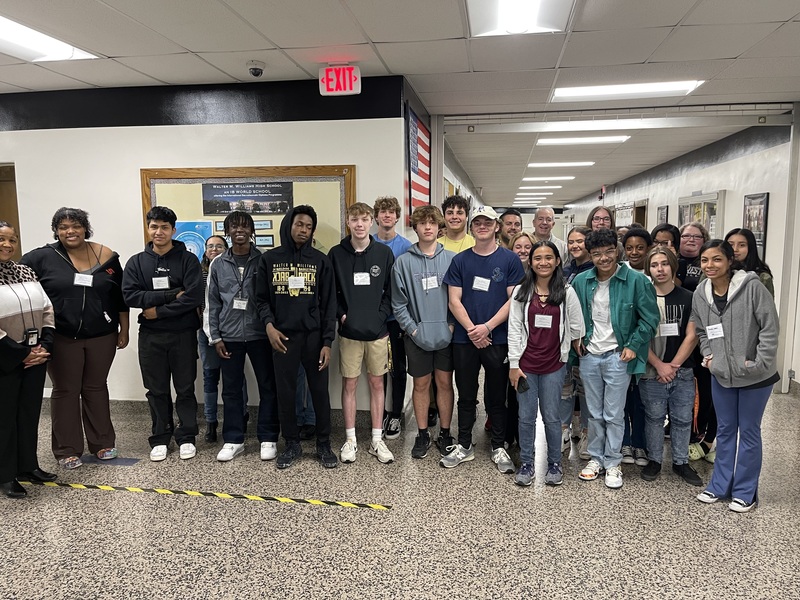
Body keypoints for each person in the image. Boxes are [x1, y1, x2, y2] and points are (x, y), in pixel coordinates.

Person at [21, 207, 129, 470]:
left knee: (96, 387)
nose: (70, 231)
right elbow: (24, 296)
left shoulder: (106, 255)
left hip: (102, 335)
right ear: (56, 231)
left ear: (85, 228)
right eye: (64, 227)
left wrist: (123, 330)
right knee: (66, 390)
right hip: (60, 336)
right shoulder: (40, 258)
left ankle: (102, 443)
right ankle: (67, 450)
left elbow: (120, 297)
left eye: (76, 225)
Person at [692, 239, 779, 512]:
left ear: (730, 261)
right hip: (721, 375)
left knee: (749, 432)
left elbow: (769, 327)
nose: (710, 265)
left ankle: (745, 492)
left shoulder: (752, 287)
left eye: (717, 259)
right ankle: (719, 486)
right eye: (705, 260)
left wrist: (761, 362)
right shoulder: (700, 293)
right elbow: (702, 329)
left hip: (755, 376)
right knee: (726, 431)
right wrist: (710, 356)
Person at [571, 228, 659, 489]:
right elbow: (573, 317)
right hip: (589, 356)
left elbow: (650, 318)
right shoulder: (581, 281)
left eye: (609, 252)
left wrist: (633, 345)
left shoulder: (636, 281)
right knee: (594, 413)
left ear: (617, 251)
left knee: (613, 413)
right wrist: (577, 339)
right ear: (590, 255)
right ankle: (596, 459)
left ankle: (613, 462)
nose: (604, 258)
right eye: (597, 254)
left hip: (618, 357)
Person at [440, 205, 525, 473]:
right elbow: (454, 300)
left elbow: (515, 300)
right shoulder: (460, 260)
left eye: (487, 222)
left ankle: (498, 446)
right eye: (477, 222)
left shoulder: (509, 260)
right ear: (472, 227)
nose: (482, 226)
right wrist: (472, 330)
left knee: (497, 396)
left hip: (497, 338)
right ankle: (464, 445)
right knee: (465, 394)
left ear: (496, 226)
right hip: (466, 341)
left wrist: (486, 327)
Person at [256, 205, 338, 469]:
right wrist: (269, 326)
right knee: (286, 393)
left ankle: (323, 444)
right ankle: (291, 443)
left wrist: (327, 342)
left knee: (319, 393)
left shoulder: (320, 260)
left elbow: (329, 305)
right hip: (282, 338)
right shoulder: (269, 260)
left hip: (314, 338)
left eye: (308, 226)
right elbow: (260, 300)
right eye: (299, 224)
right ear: (289, 224)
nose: (303, 230)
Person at [122, 206, 202, 462]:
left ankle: (187, 435)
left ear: (173, 230)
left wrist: (157, 310)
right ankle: (160, 437)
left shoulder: (188, 260)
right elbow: (130, 295)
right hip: (151, 337)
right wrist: (169, 295)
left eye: (164, 227)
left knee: (185, 388)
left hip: (183, 334)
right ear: (148, 228)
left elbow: (193, 297)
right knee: (156, 389)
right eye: (154, 226)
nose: (159, 232)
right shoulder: (136, 262)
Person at [508, 241, 584, 487]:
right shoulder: (522, 291)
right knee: (526, 417)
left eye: (549, 257)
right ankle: (527, 464)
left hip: (554, 366)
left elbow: (577, 326)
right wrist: (513, 363)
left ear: (557, 261)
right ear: (530, 262)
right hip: (526, 366)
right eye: (537, 258)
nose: (543, 262)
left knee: (552, 417)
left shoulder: (566, 291)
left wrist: (576, 347)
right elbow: (514, 329)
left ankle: (554, 463)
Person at [206, 211, 279, 463]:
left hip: (260, 334)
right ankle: (233, 440)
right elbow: (212, 303)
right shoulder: (218, 264)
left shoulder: (264, 260)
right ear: (227, 231)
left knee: (268, 387)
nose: (240, 230)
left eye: (245, 226)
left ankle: (268, 437)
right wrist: (215, 337)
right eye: (234, 226)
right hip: (229, 336)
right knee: (232, 390)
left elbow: (271, 299)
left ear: (252, 230)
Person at [328, 202, 395, 464]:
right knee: (350, 384)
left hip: (378, 332)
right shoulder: (336, 254)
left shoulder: (384, 253)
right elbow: (331, 292)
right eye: (355, 219)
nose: (359, 224)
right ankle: (351, 440)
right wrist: (343, 315)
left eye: (364, 219)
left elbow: (391, 292)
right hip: (349, 332)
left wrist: (380, 317)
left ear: (372, 222)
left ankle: (377, 441)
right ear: (348, 222)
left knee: (378, 384)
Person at [391, 206, 456, 459]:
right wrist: (413, 329)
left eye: (432, 223)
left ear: (439, 227)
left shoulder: (451, 259)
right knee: (421, 384)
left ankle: (445, 432)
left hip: (445, 335)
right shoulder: (403, 263)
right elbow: (398, 303)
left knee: (444, 383)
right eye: (422, 223)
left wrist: (450, 326)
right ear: (415, 227)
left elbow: (457, 298)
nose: (427, 227)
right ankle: (422, 433)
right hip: (416, 336)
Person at [0, 221, 57, 498]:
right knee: (5, 418)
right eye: (1, 239)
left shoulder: (25, 270)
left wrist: (44, 345)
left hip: (34, 355)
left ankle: (27, 465)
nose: (7, 245)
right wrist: (20, 353)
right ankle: (5, 474)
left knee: (28, 413)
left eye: (12, 240)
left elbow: (47, 308)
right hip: (6, 359)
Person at [639, 247, 702, 486]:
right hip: (652, 370)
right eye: (654, 265)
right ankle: (654, 460)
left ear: (673, 266)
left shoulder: (689, 297)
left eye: (664, 264)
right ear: (649, 269)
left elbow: (692, 335)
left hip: (683, 370)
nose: (660, 269)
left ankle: (680, 462)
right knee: (654, 417)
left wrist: (673, 366)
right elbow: (638, 337)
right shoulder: (643, 298)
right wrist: (659, 365)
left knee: (683, 418)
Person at [373, 196, 412, 440]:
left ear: (397, 217)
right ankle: (380, 415)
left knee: (398, 367)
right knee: (378, 368)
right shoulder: (366, 243)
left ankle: (395, 414)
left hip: (396, 318)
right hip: (373, 318)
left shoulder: (406, 246)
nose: (387, 216)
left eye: (391, 212)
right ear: (376, 217)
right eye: (382, 212)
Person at [678, 221, 716, 463]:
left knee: (706, 391)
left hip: (703, 339)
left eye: (696, 237)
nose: (690, 240)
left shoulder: (707, 267)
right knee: (686, 392)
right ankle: (687, 430)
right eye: (685, 236)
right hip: (675, 340)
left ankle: (704, 435)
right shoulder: (673, 262)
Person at [619, 227, 653, 466]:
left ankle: (640, 444)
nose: (634, 252)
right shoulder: (620, 274)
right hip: (624, 348)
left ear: (648, 249)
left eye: (640, 248)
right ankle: (625, 443)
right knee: (622, 400)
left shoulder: (655, 273)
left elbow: (649, 317)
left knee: (641, 401)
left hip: (646, 347)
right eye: (629, 248)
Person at [562, 225, 593, 459]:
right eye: (571, 241)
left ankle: (585, 433)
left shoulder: (596, 271)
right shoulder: (565, 270)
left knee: (585, 390)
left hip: (587, 339)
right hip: (564, 339)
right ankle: (564, 430)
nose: (575, 246)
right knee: (565, 387)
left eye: (580, 241)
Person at [198, 235, 233, 443]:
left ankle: (241, 414)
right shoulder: (198, 272)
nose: (214, 249)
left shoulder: (229, 269)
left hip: (230, 330)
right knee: (210, 376)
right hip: (206, 331)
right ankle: (211, 422)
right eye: (210, 246)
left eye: (219, 246)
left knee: (234, 377)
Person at [724, 228, 774, 298]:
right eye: (731, 245)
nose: (735, 249)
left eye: (742, 245)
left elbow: (767, 306)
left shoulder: (762, 277)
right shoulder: (717, 272)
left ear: (750, 247)